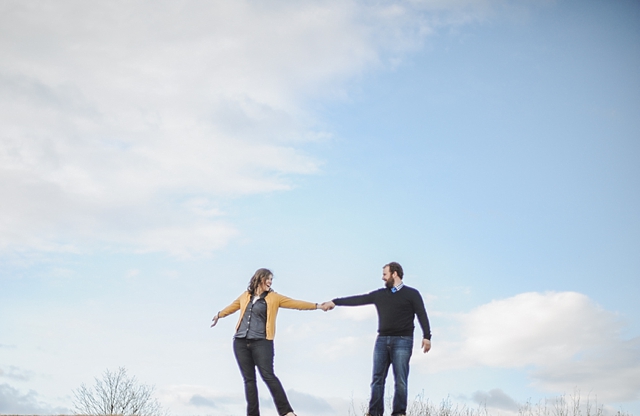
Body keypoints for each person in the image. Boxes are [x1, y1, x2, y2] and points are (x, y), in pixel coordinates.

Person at [211, 268, 329, 416]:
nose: (270, 282)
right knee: (249, 380)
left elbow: (295, 303)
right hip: (240, 342)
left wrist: (317, 306)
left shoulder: (274, 297)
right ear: (260, 279)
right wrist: (219, 315)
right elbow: (233, 306)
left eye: (271, 280)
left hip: (262, 342)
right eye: (268, 279)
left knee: (268, 375)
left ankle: (286, 412)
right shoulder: (246, 295)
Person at [321, 262, 431, 416]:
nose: (382, 278)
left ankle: (399, 413)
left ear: (394, 274)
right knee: (377, 379)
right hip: (382, 340)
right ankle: (374, 413)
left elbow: (421, 314)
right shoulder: (380, 294)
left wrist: (427, 336)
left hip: (402, 341)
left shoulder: (412, 294)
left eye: (385, 274)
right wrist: (335, 302)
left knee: (400, 379)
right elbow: (359, 299)